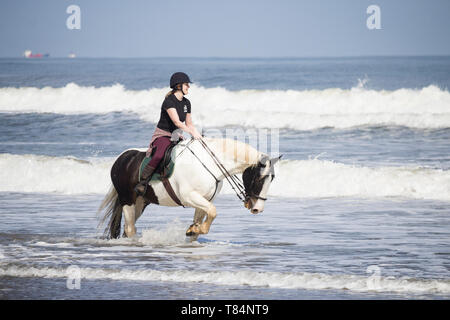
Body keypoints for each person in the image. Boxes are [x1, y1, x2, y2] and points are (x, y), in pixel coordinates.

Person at [135, 72, 202, 195]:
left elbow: (189, 123)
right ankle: (143, 181)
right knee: (160, 155)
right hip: (163, 135)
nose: (189, 87)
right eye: (186, 84)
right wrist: (191, 132)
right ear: (178, 86)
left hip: (176, 135)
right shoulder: (169, 102)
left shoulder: (187, 103)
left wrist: (198, 136)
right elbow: (177, 122)